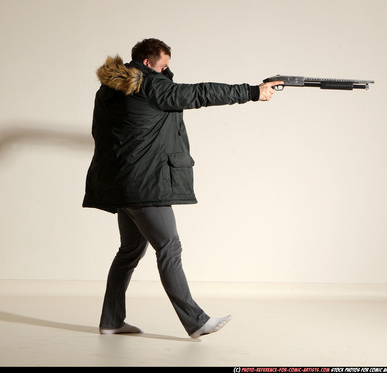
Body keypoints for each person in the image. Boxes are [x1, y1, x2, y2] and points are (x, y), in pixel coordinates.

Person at [83, 38, 282, 339]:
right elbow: (197, 94)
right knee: (169, 247)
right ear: (147, 63)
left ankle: (111, 321)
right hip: (146, 185)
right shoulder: (151, 86)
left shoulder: (110, 89)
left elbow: (100, 132)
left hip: (121, 183)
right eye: (163, 65)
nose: (167, 70)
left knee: (129, 252)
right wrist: (253, 92)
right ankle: (196, 321)